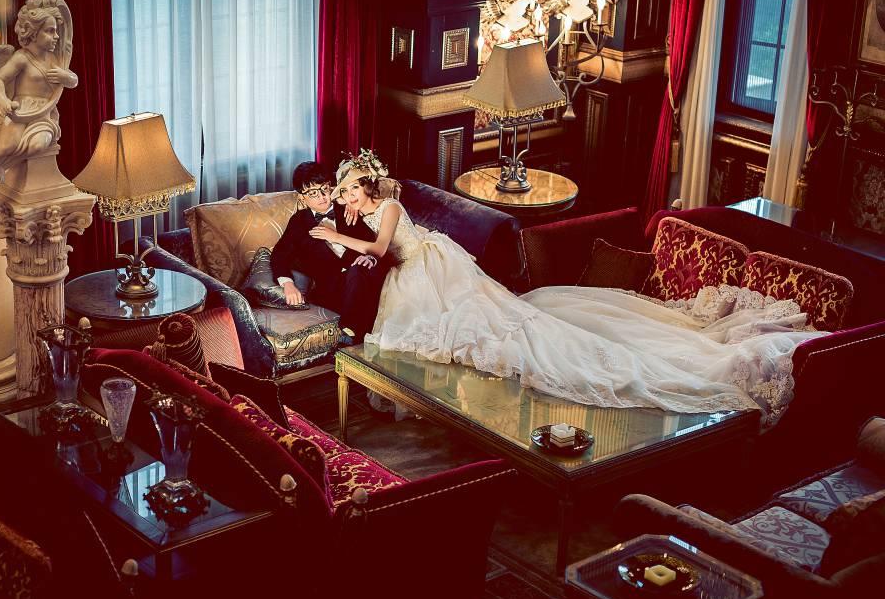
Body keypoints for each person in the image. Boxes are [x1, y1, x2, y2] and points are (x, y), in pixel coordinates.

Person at [311, 150, 828, 427]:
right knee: (422, 337)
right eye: (344, 189)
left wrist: (335, 234)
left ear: (368, 185)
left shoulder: (390, 206)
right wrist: (343, 229)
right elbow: (365, 248)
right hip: (408, 270)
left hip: (428, 264)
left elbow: (380, 247)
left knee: (483, 328)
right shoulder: (360, 208)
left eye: (351, 187)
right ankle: (430, 400)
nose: (345, 194)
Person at [270, 161, 390, 346]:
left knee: (360, 270)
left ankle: (350, 334)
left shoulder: (349, 210)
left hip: (362, 277)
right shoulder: (299, 222)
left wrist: (369, 257)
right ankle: (357, 335)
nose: (322, 197)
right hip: (331, 289)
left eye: (325, 189)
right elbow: (279, 255)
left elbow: (373, 243)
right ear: (302, 197)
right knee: (352, 282)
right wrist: (288, 284)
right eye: (313, 193)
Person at [0, 0, 78, 195]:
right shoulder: (21, 58)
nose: (56, 36)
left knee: (39, 144)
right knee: (6, 145)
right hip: (20, 109)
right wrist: (3, 101)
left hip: (44, 114)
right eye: (50, 31)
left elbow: (73, 81)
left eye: (56, 31)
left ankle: (4, 165)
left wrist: (66, 77)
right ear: (33, 33)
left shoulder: (54, 59)